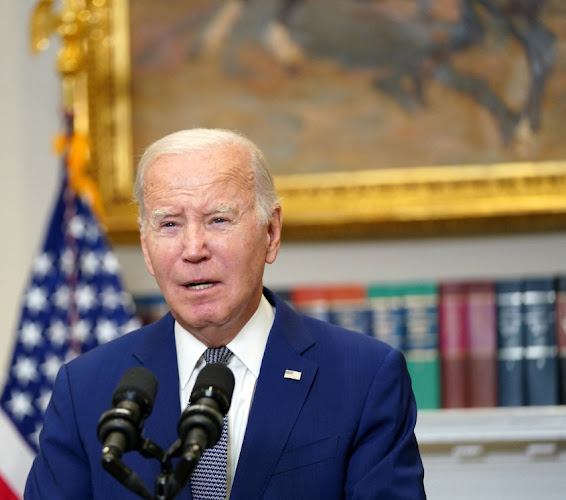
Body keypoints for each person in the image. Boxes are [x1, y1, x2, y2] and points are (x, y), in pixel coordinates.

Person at [25, 128, 426, 499]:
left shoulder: (364, 376)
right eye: (169, 224)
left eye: (218, 220)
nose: (194, 248)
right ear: (146, 247)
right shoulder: (85, 388)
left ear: (271, 233)